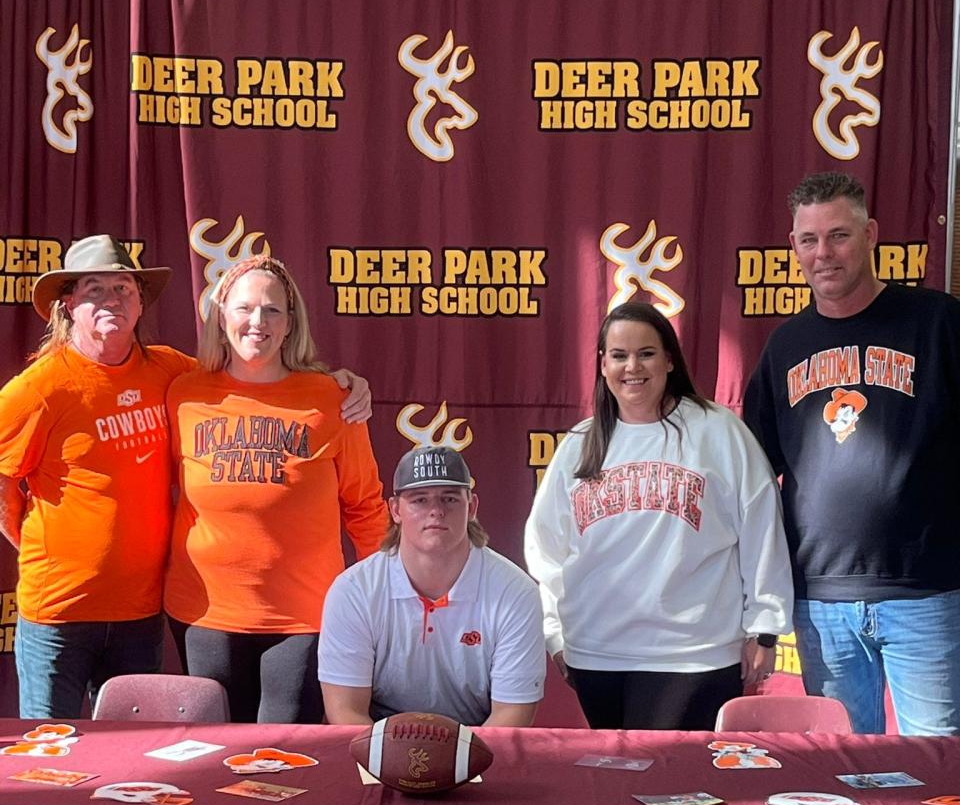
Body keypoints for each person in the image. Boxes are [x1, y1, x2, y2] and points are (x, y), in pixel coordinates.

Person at [0, 235, 370, 720]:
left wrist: (341, 381)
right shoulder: (37, 389)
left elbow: (248, 377)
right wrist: (46, 546)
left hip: (142, 614)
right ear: (67, 304)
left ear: (139, 304)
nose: (111, 301)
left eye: (123, 289)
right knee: (53, 759)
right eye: (94, 290)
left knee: (133, 760)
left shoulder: (173, 376)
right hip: (61, 614)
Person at [743, 171, 960, 737]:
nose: (824, 253)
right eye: (809, 240)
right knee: (844, 776)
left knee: (938, 775)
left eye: (838, 236)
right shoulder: (783, 346)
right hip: (822, 601)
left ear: (871, 235)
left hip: (927, 593)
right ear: (794, 247)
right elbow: (756, 476)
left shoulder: (938, 323)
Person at [524, 301, 792, 731]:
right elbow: (545, 550)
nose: (633, 367)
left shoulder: (717, 431)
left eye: (646, 353)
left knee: (682, 791)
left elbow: (761, 529)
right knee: (619, 790)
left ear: (669, 359)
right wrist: (555, 634)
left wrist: (764, 627)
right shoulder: (581, 443)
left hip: (694, 653)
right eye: (619, 355)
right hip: (597, 654)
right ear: (602, 365)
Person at [164, 255, 388, 723]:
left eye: (272, 311)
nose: (257, 322)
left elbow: (365, 507)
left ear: (291, 324)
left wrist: (385, 594)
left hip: (305, 616)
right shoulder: (182, 393)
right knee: (212, 756)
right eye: (245, 308)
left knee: (283, 759)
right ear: (222, 314)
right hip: (204, 613)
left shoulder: (333, 399)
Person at [319, 445, 545, 727]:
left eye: (449, 499)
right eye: (419, 500)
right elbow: (346, 714)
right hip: (376, 750)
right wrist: (394, 765)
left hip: (478, 750)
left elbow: (510, 717)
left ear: (472, 507)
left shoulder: (515, 592)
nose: (436, 511)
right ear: (395, 509)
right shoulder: (353, 591)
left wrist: (459, 766)